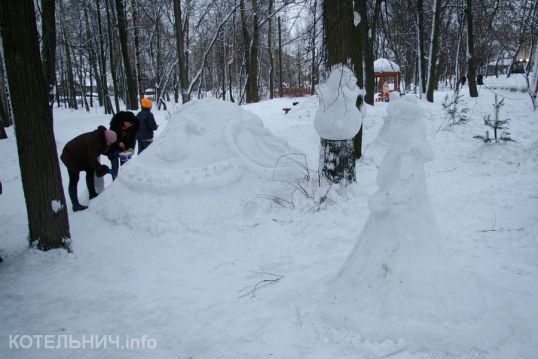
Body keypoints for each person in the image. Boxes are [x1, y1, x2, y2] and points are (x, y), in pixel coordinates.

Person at [61, 126, 116, 211]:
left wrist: (111, 154)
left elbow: (101, 150)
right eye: (110, 143)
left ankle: (92, 193)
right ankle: (75, 205)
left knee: (90, 171)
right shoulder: (94, 141)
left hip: (82, 155)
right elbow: (93, 159)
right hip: (70, 156)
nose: (109, 144)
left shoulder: (100, 137)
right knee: (74, 179)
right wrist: (102, 169)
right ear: (106, 139)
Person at [107, 111, 139, 179]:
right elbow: (110, 137)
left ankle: (123, 181)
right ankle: (114, 182)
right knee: (115, 167)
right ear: (123, 121)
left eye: (130, 124)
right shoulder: (115, 125)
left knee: (125, 166)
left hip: (125, 150)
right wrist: (118, 142)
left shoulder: (133, 128)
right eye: (127, 123)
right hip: (113, 149)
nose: (129, 125)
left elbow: (132, 140)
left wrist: (131, 148)